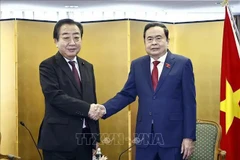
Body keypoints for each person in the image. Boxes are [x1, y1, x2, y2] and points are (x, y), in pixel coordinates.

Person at [91, 22, 196, 160]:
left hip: (172, 137)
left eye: (159, 38)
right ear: (144, 42)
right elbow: (127, 94)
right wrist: (105, 108)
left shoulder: (182, 64)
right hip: (144, 138)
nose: (154, 43)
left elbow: (189, 103)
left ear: (167, 41)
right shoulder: (137, 65)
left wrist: (188, 137)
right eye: (149, 39)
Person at [37, 18, 103, 160]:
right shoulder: (48, 66)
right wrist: (87, 108)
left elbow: (92, 100)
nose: (72, 42)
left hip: (85, 140)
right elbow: (55, 97)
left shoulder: (88, 66)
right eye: (66, 37)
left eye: (76, 37)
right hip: (58, 141)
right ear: (56, 41)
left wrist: (95, 140)